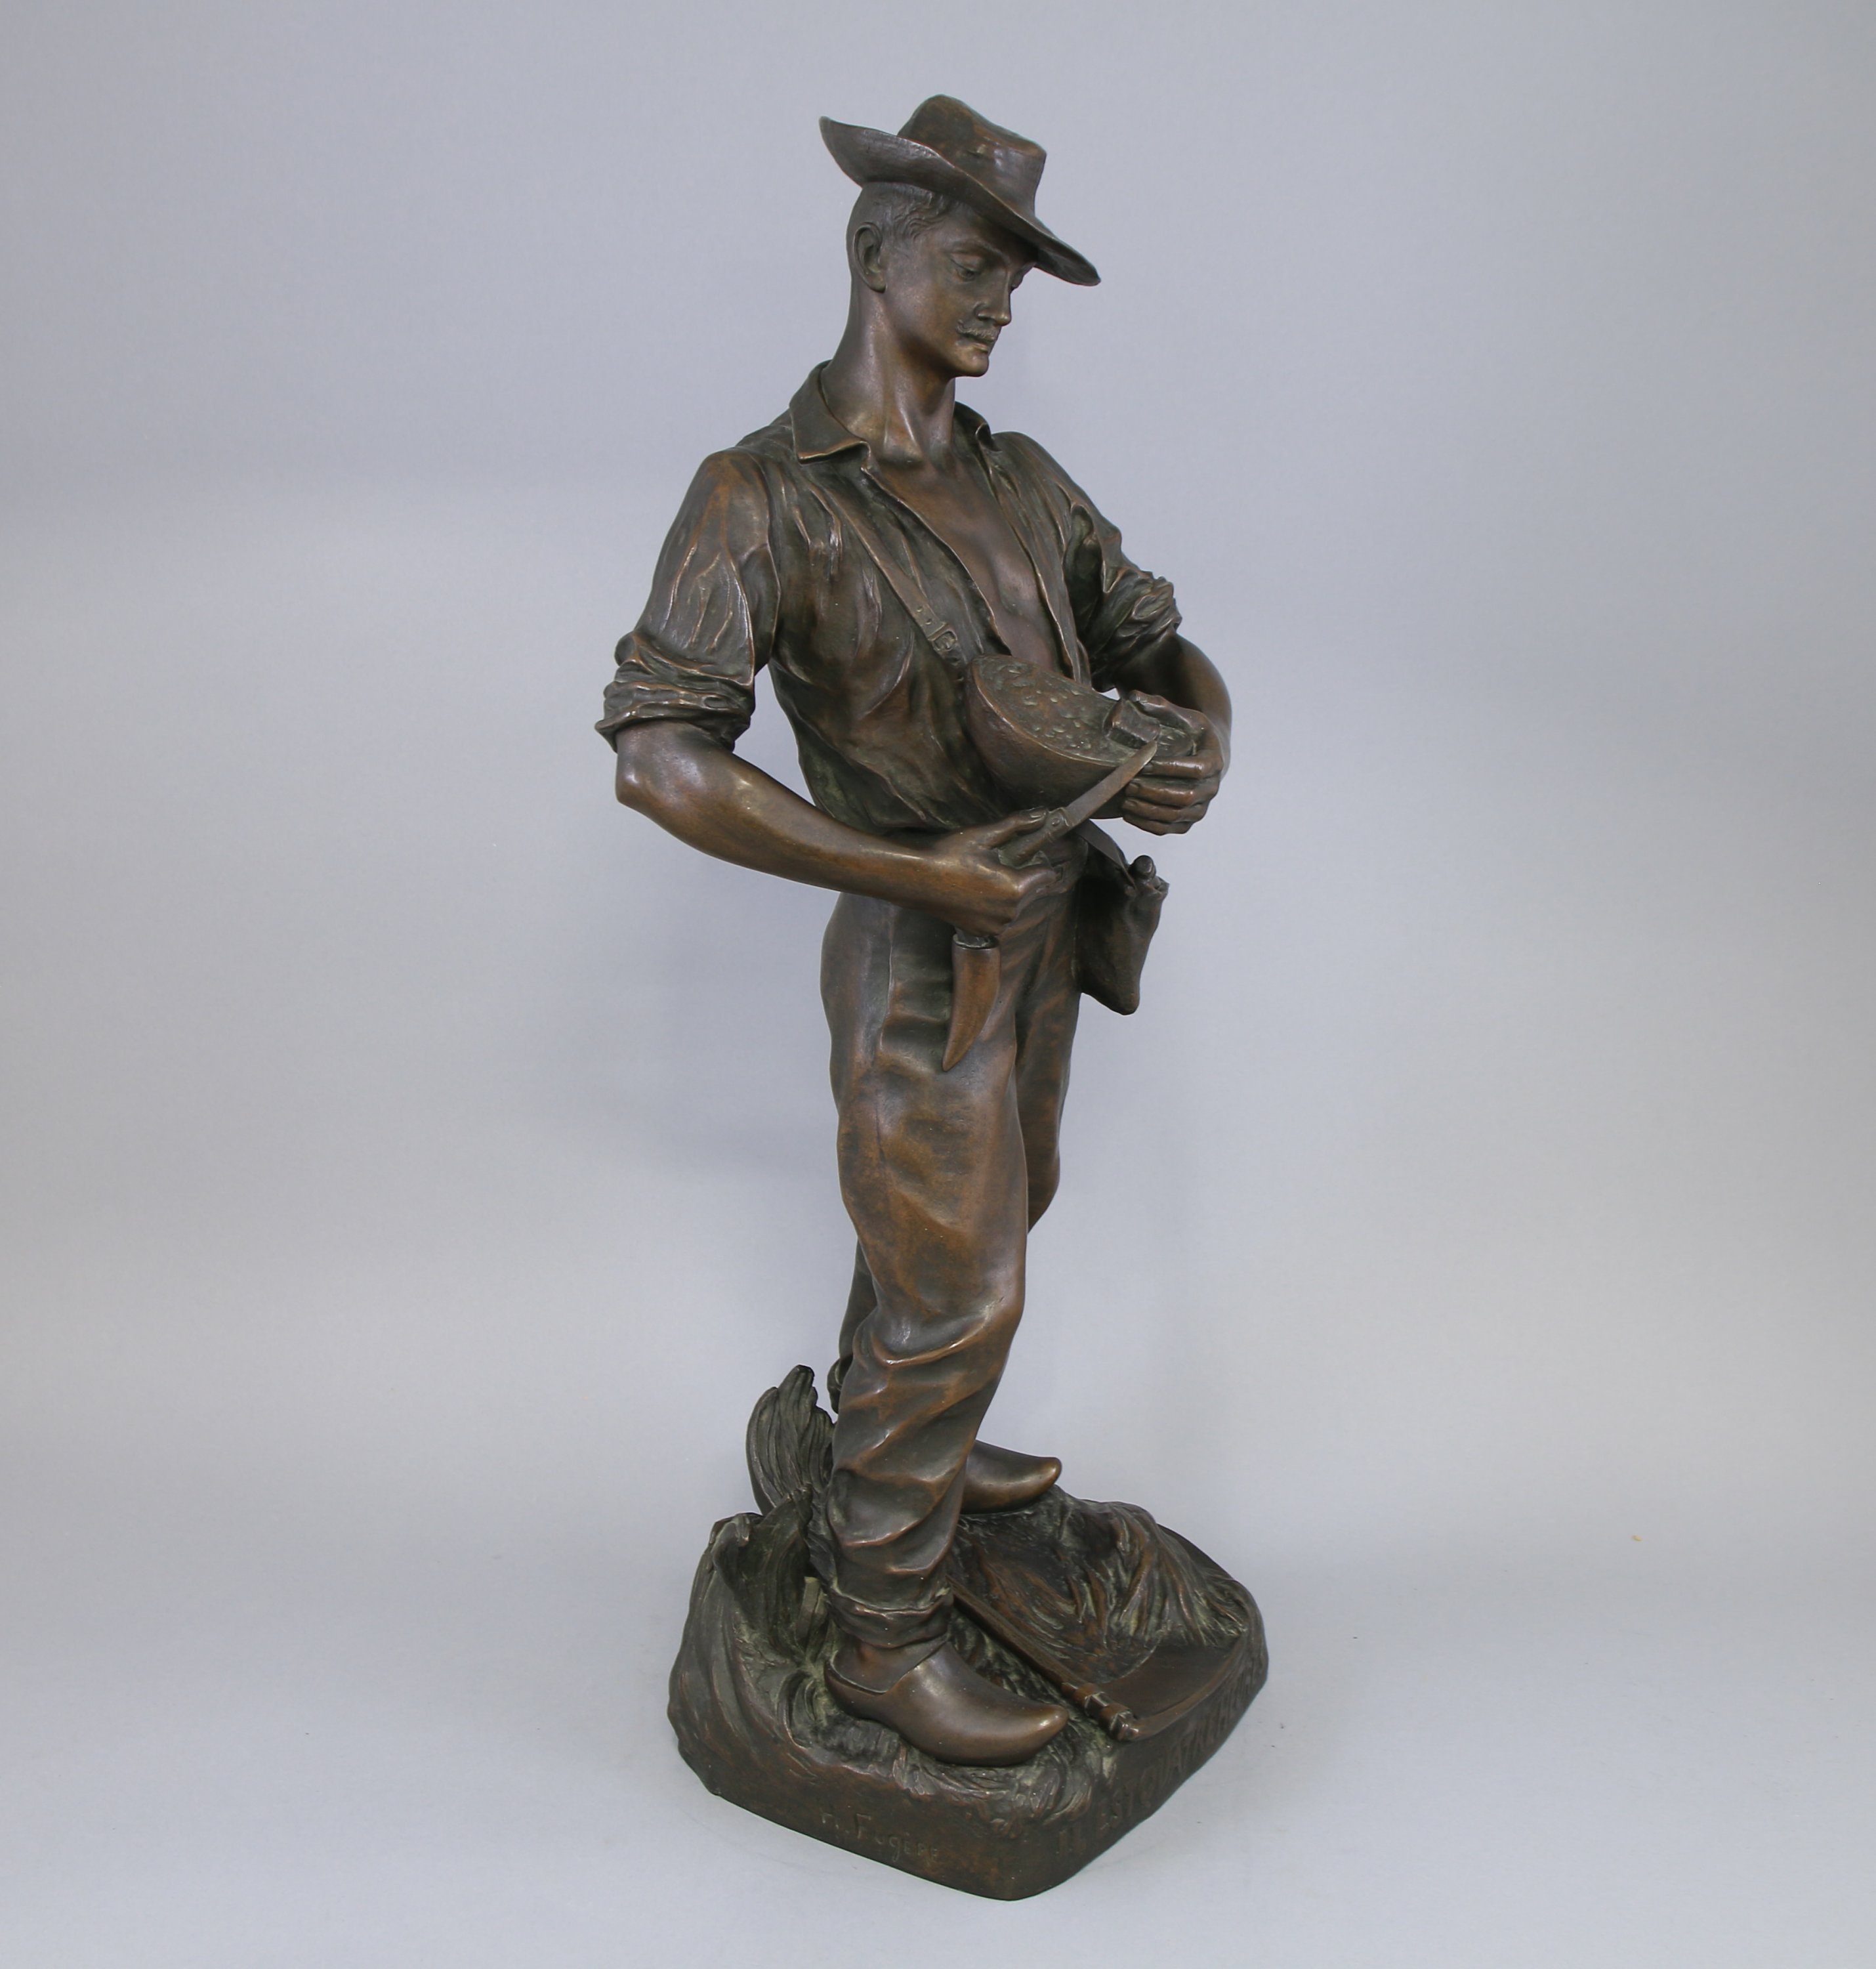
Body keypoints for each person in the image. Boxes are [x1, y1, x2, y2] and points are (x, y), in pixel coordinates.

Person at [601, 96, 1230, 1764]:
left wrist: (1201, 736)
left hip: (1043, 927)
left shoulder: (1016, 478)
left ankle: (891, 1450)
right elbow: (661, 758)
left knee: (983, 1226)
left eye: (1015, 273)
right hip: (916, 949)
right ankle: (880, 1631)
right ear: (876, 252)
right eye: (974, 262)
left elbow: (1148, 636)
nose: (1000, 300)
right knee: (960, 1288)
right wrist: (916, 877)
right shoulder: (762, 494)